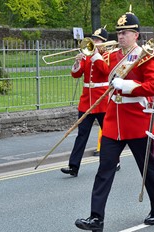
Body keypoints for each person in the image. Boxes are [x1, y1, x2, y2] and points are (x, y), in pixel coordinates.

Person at [75, 8, 154, 231]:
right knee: (104, 169)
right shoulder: (112, 56)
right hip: (113, 123)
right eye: (119, 32)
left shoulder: (145, 57)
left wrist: (130, 87)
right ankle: (96, 218)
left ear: (136, 35)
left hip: (138, 122)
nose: (120, 36)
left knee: (147, 168)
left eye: (125, 32)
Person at [60, 27, 112, 177]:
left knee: (108, 135)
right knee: (81, 134)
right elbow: (76, 74)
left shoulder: (108, 55)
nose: (94, 42)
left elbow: (106, 71)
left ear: (104, 42)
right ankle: (73, 166)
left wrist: (96, 56)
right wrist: (77, 63)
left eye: (97, 40)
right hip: (86, 101)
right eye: (93, 39)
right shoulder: (87, 55)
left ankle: (114, 161)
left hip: (102, 100)